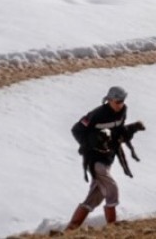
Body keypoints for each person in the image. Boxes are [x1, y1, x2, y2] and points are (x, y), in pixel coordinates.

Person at [66, 86, 128, 230]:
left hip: (108, 156)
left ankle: (70, 229)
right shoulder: (97, 114)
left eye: (123, 100)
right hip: (93, 158)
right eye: (118, 101)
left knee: (96, 195)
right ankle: (112, 225)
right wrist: (89, 143)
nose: (121, 104)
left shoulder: (123, 111)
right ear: (109, 100)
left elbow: (118, 129)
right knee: (111, 186)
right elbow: (76, 129)